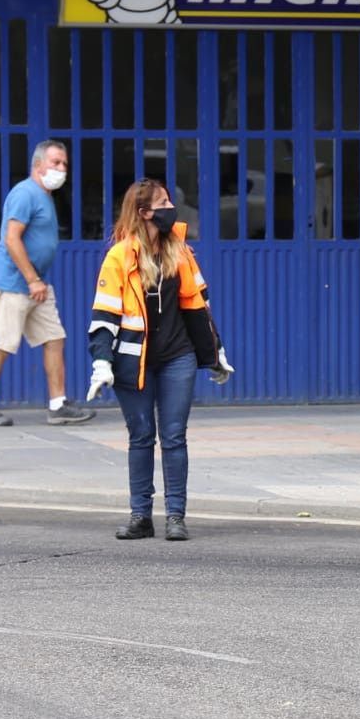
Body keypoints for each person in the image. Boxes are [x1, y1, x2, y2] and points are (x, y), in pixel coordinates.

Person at [87, 179, 233, 542]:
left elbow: (199, 306)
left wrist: (215, 352)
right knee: (140, 437)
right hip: (133, 362)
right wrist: (101, 362)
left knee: (174, 437)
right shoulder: (119, 256)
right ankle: (140, 516)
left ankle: (175, 517)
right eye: (164, 202)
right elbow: (105, 315)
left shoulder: (179, 251)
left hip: (177, 357)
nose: (171, 207)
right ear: (144, 212)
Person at [0, 140, 96, 427]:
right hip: (17, 283)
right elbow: (12, 238)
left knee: (54, 338)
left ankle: (58, 405)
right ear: (37, 165)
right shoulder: (25, 193)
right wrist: (32, 279)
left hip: (37, 285)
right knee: (3, 343)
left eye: (64, 164)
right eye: (55, 162)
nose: (61, 169)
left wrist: (37, 281)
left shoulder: (43, 195)